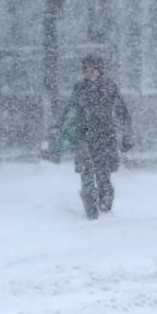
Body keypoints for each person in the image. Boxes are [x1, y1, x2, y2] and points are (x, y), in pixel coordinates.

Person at [54, 55, 133, 220]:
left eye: (92, 69)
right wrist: (59, 128)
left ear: (99, 70)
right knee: (86, 174)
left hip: (105, 137)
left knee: (104, 175)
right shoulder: (79, 88)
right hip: (83, 137)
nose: (89, 72)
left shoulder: (109, 87)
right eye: (86, 69)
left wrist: (127, 135)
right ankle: (91, 211)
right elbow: (69, 109)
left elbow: (122, 112)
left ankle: (105, 206)